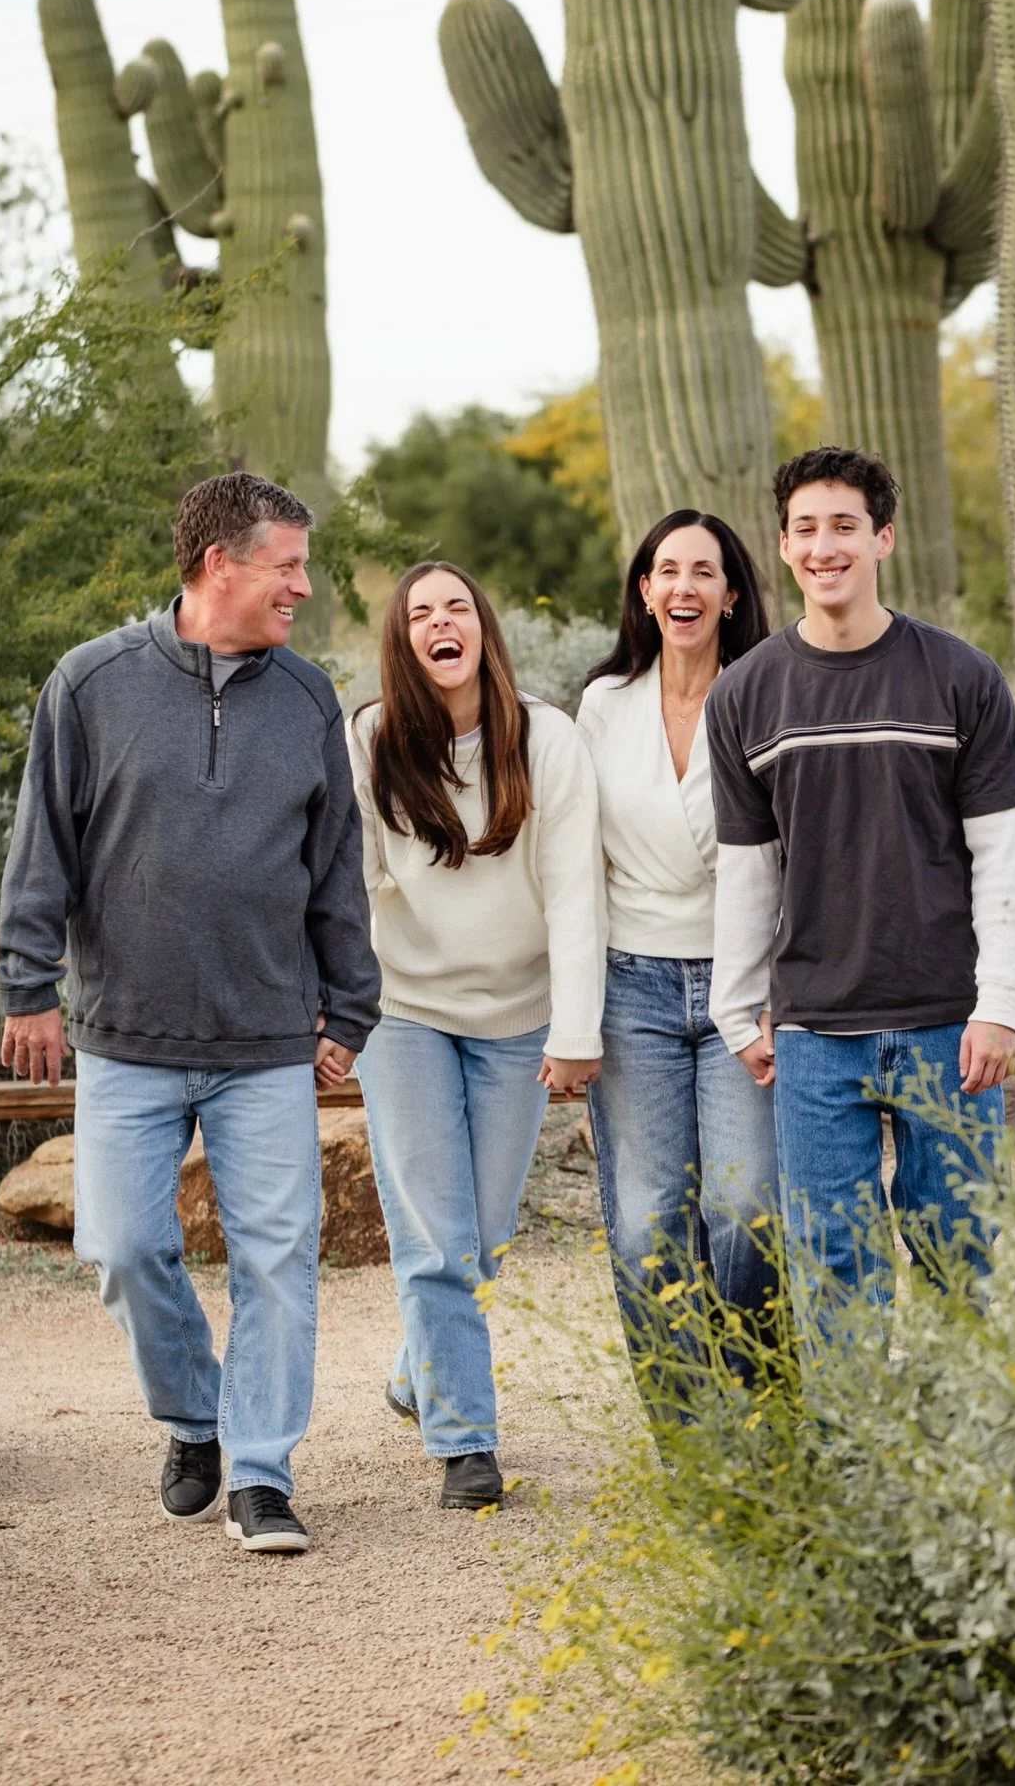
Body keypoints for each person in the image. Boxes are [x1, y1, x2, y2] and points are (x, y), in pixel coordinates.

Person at [0, 472, 381, 1554]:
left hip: (266, 1040)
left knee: (277, 1259)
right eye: (289, 566)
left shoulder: (306, 701)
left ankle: (261, 1474)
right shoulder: (92, 685)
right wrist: (28, 985)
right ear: (222, 564)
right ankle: (193, 1417)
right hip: (128, 1035)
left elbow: (335, 874)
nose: (303, 587)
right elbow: (44, 851)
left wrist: (347, 1009)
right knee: (120, 1248)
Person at [705, 447, 1015, 1345]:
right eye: (806, 529)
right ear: (782, 547)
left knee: (961, 1253)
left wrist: (998, 1004)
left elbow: (1001, 855)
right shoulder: (744, 695)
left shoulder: (961, 677)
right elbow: (748, 864)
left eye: (844, 526)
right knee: (835, 1269)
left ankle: (964, 1462)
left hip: (946, 1022)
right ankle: (860, 1474)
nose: (825, 546)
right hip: (815, 1031)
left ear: (882, 537)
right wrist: (739, 1010)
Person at [349, 561, 604, 1510]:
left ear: (483, 631)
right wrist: (337, 1007)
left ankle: (419, 1374)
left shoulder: (547, 739)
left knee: (484, 1235)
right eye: (420, 613)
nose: (440, 622)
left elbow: (580, 890)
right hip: (403, 1012)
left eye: (456, 606)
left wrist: (578, 1029)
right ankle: (467, 1443)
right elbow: (351, 882)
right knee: (435, 1237)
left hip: (519, 1016)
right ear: (404, 642)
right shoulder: (369, 738)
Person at [576, 510, 779, 1416]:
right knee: (648, 1223)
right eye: (668, 571)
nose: (685, 587)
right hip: (633, 988)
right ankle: (692, 1440)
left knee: (745, 1212)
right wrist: (575, 1009)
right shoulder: (603, 704)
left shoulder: (769, 694)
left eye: (705, 571)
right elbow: (573, 864)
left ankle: (762, 1403)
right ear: (646, 593)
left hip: (747, 986)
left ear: (732, 594)